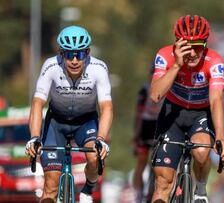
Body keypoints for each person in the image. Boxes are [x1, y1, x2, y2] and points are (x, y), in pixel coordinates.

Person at [25, 25, 112, 203]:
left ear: (87, 53)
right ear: (61, 53)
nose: (74, 60)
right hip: (56, 122)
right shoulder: (50, 66)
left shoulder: (98, 68)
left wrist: (101, 139)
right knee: (50, 185)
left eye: (79, 54)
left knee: (94, 157)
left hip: (86, 121)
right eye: (68, 54)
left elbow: (107, 107)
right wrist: (34, 137)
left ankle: (88, 188)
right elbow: (37, 102)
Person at [149, 15, 224, 203]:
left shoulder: (214, 61)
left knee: (201, 152)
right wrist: (177, 64)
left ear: (206, 44)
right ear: (177, 43)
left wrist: (220, 137)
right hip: (173, 114)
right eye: (187, 46)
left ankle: (200, 190)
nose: (193, 53)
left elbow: (216, 100)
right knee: (162, 182)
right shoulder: (165, 55)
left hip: (201, 113)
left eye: (198, 46)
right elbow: (155, 96)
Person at [132, 66, 163, 201]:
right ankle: (138, 194)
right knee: (141, 162)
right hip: (146, 126)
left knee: (160, 164)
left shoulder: (169, 87)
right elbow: (138, 115)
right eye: (153, 74)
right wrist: (136, 136)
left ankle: (156, 191)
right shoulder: (145, 89)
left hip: (161, 126)